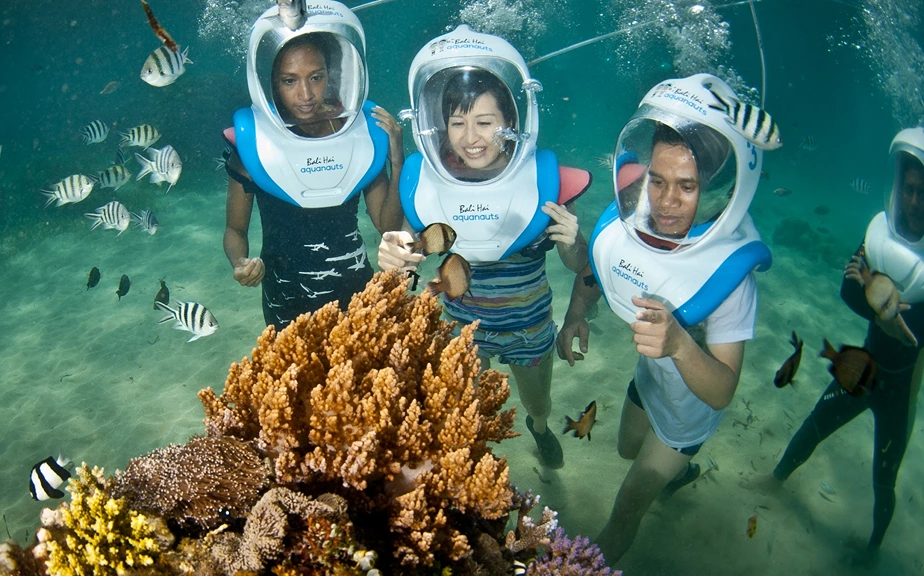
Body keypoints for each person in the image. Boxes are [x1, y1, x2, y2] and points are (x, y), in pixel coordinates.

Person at [562, 74, 773, 564]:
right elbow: (601, 266)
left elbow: (722, 390)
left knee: (627, 507)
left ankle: (588, 566)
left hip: (687, 415)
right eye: (656, 180)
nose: (666, 200)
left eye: (687, 186)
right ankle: (682, 473)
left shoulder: (729, 275)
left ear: (717, 189)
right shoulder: (635, 224)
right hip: (649, 384)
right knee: (623, 451)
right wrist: (576, 313)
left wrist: (679, 343)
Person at [377, 26, 595, 469]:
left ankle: (538, 426)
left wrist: (575, 242)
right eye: (457, 122)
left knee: (538, 403)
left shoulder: (544, 183)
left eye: (485, 122)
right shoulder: (426, 183)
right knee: (461, 410)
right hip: (463, 325)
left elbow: (580, 266)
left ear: (512, 124)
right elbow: (405, 252)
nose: (470, 137)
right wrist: (392, 257)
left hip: (530, 327)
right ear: (439, 125)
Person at [748, 127, 924, 566]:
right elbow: (846, 293)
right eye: (909, 190)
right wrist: (883, 309)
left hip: (901, 388)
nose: (915, 203)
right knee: (817, 420)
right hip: (864, 367)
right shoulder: (878, 236)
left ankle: (872, 550)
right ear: (898, 188)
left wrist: (880, 303)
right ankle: (774, 479)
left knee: (885, 477)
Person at [222, 1, 404, 329]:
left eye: (316, 77)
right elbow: (235, 230)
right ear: (271, 83)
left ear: (331, 75)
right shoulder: (255, 149)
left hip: (356, 292)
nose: (305, 94)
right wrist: (239, 262)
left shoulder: (357, 135)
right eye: (289, 81)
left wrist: (396, 156)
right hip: (285, 301)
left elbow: (386, 224)